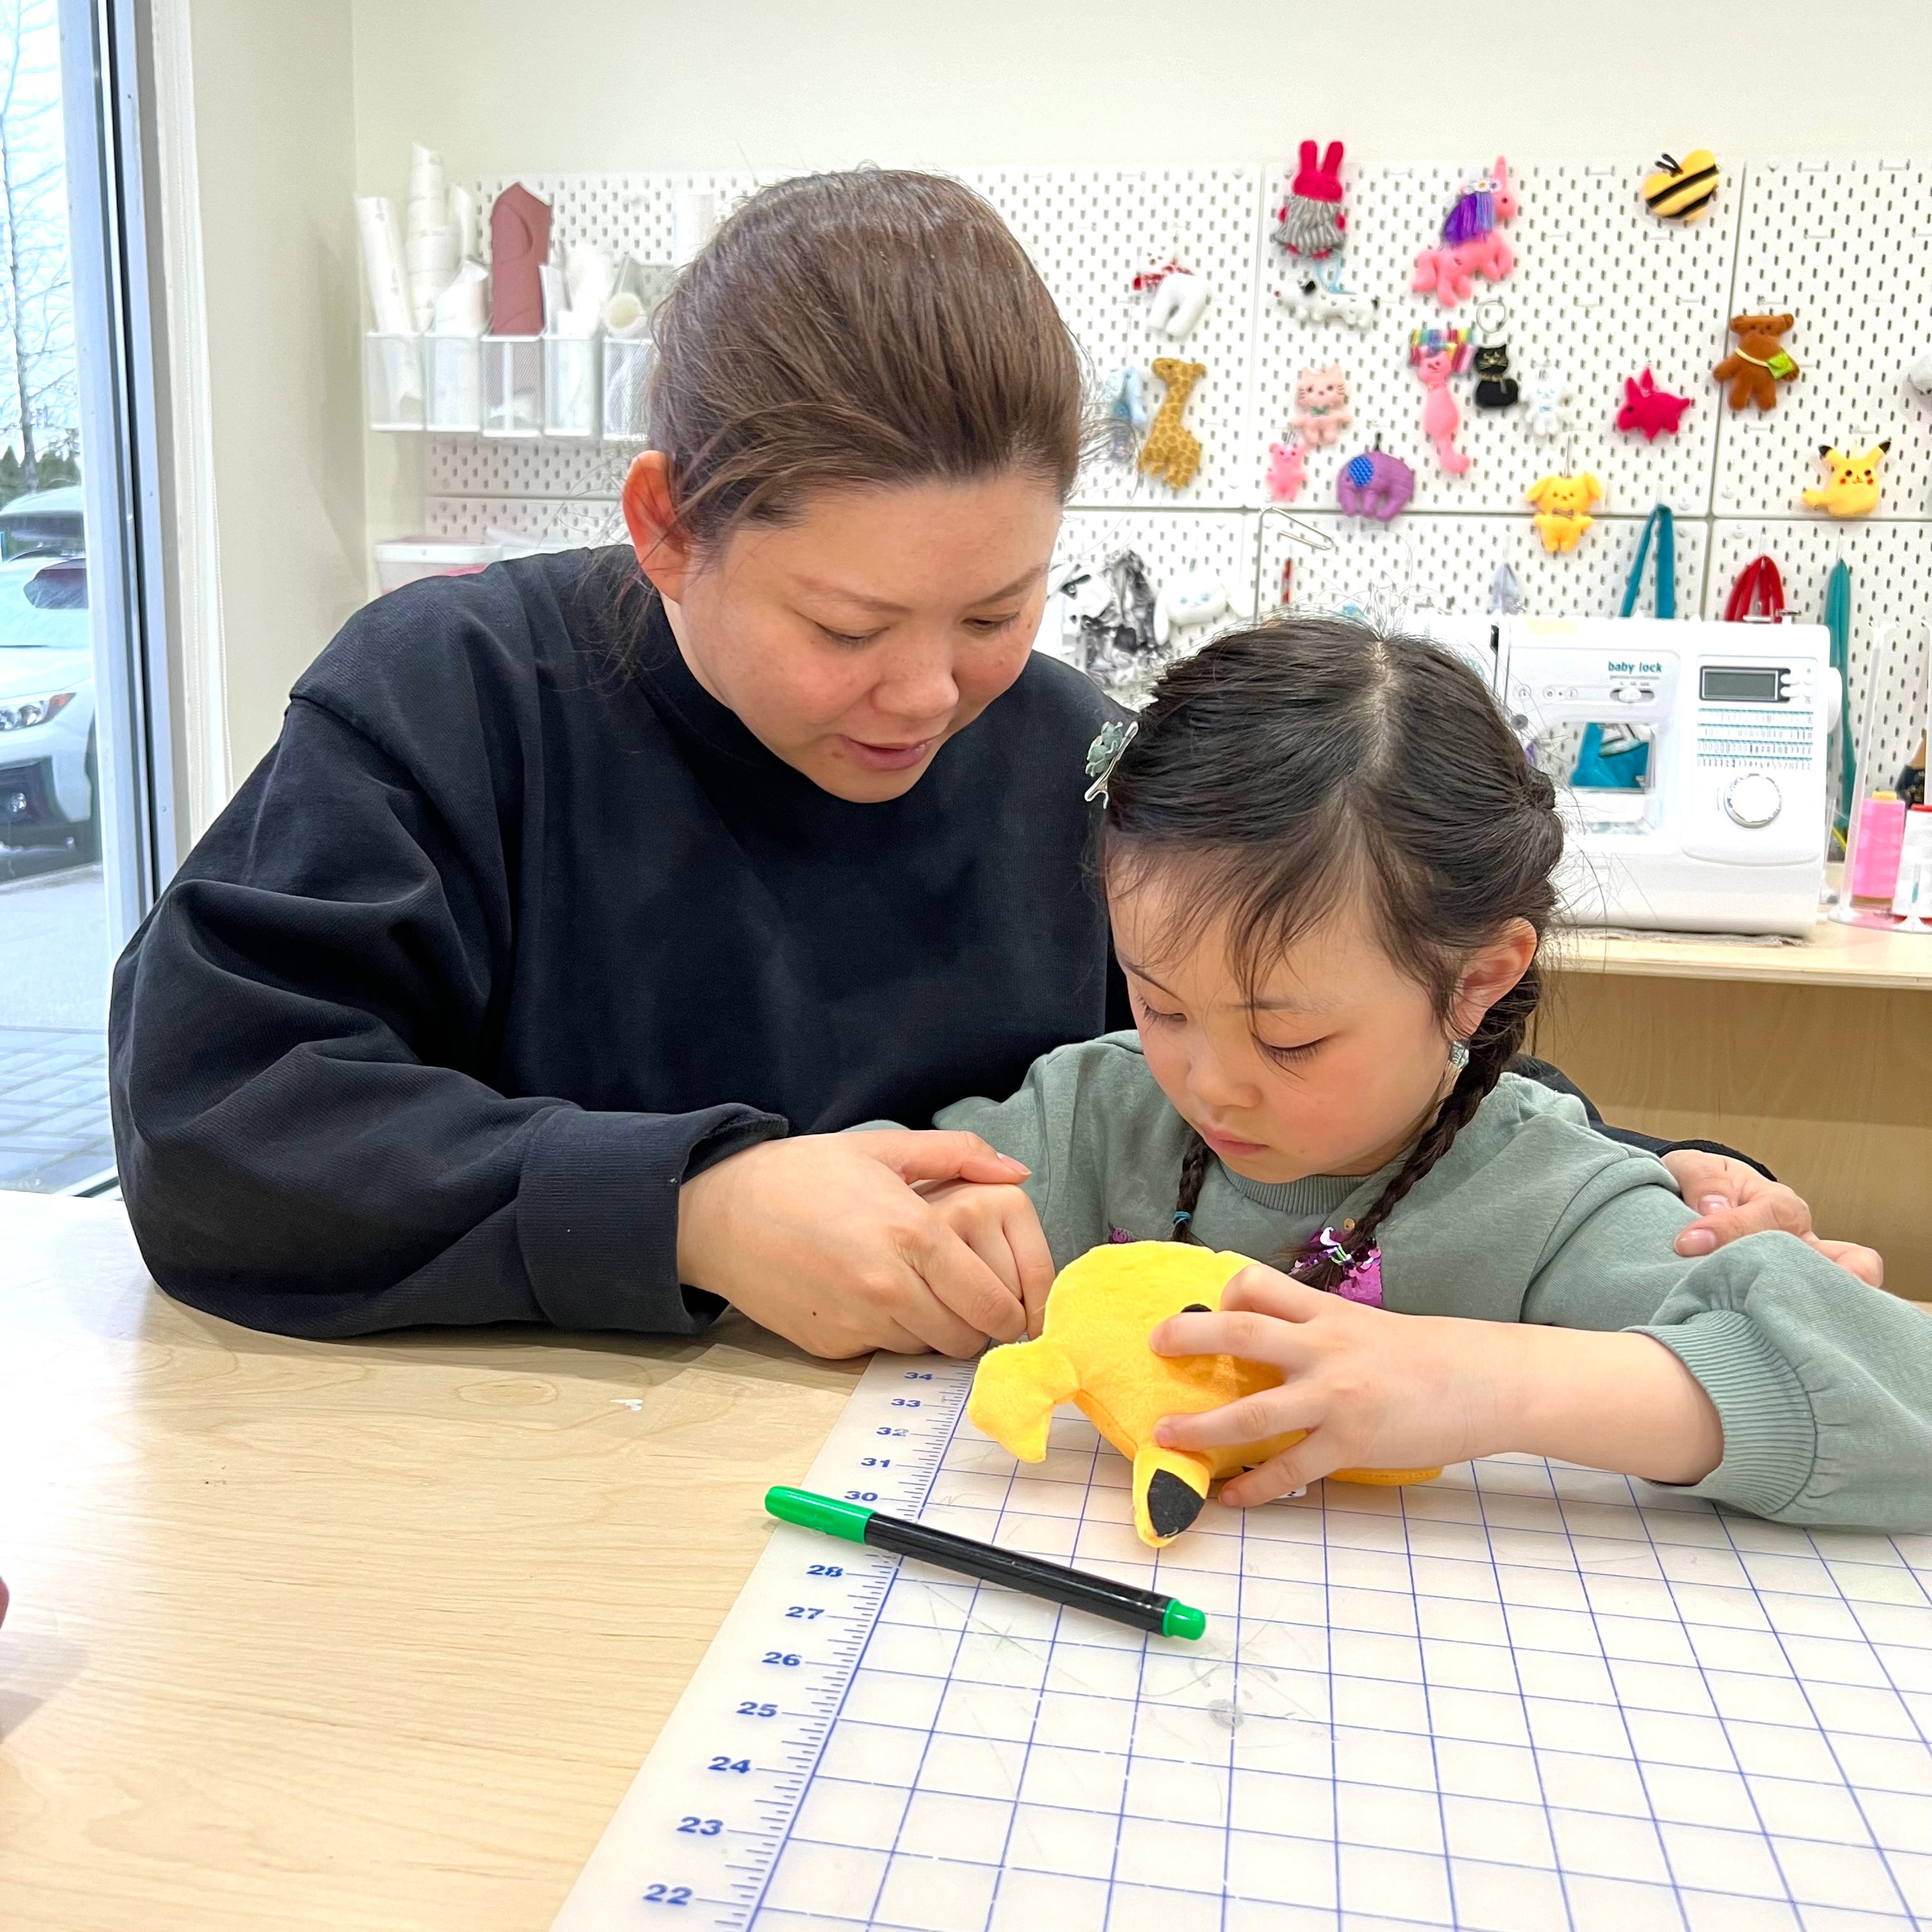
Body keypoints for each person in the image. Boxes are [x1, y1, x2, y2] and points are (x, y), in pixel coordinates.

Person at [109, 170, 1868, 1359]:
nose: (927, 693)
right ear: (667, 526)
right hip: (499, 1498)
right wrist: (693, 1209)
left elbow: (1297, 1070)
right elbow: (219, 1123)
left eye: (999, 607)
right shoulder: (452, 698)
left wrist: (1658, 1178)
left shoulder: (1065, 763)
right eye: (849, 621)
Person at [922, 621, 1928, 1528]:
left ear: (1475, 982)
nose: (1211, 1083)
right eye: (1162, 1005)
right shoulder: (1090, 1117)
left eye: (1289, 1041)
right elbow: (887, 1220)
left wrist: (1484, 1381)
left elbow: (1901, 1407)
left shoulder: (1548, 1205)